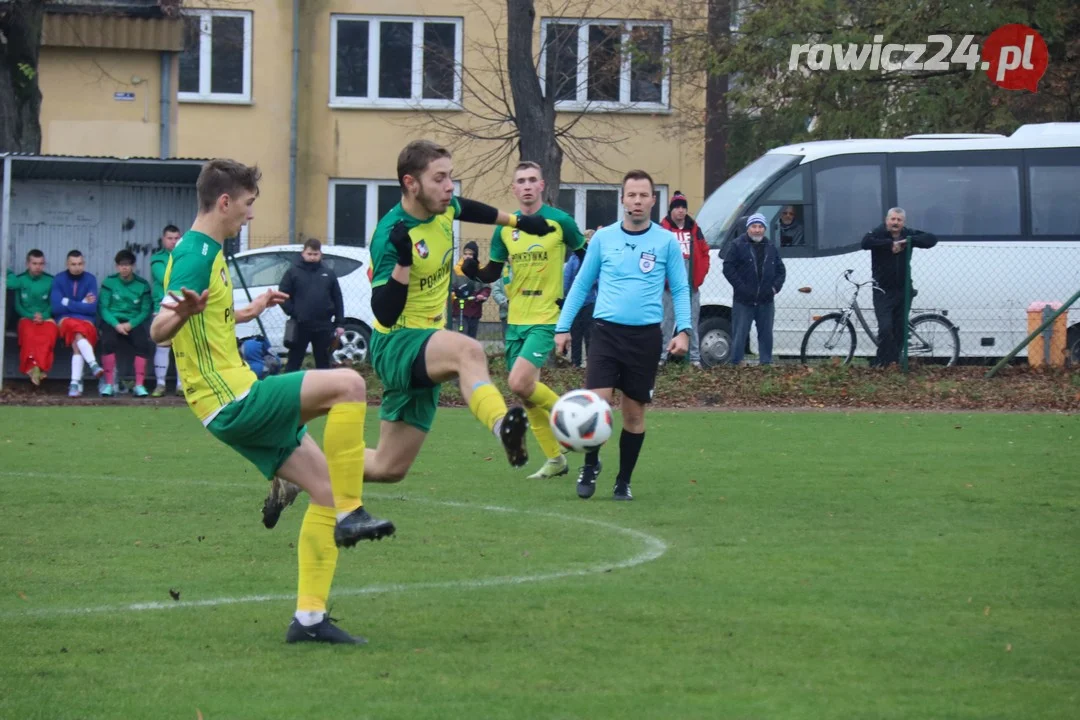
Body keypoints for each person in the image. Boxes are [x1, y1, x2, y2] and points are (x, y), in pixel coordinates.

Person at [151, 158, 392, 645]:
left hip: (228, 400)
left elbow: (208, 320)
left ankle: (308, 621)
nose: (250, 214)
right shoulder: (196, 255)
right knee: (349, 385)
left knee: (321, 488)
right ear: (224, 202)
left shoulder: (208, 251)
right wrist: (180, 315)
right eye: (248, 204)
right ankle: (351, 511)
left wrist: (248, 310)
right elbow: (159, 330)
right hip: (233, 398)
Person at [362, 140, 558, 485]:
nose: (449, 186)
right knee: (469, 350)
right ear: (411, 183)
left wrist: (520, 222)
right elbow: (384, 313)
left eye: (450, 176)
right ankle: (503, 426)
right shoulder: (389, 236)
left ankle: (301, 466)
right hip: (396, 343)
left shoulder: (444, 208)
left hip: (426, 347)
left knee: (387, 467)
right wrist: (404, 262)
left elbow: (469, 209)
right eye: (439, 178)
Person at [555, 169, 692, 501]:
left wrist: (684, 330)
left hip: (645, 338)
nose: (637, 201)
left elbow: (681, 288)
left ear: (652, 200)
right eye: (631, 195)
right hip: (605, 333)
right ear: (622, 199)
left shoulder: (665, 241)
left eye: (644, 195)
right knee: (595, 405)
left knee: (634, 414)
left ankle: (623, 481)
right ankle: (590, 464)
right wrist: (562, 327)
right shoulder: (603, 239)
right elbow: (581, 285)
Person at [460, 161, 588, 480]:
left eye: (533, 180)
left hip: (547, 317)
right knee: (525, 392)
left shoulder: (561, 222)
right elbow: (493, 271)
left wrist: (572, 301)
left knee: (519, 382)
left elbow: (587, 256)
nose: (527, 185)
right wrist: (474, 270)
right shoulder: (506, 228)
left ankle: (572, 421)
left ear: (542, 185)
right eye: (521, 181)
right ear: (514, 189)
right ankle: (555, 459)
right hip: (515, 317)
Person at [860, 207, 938, 367]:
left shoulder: (908, 234)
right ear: (886, 220)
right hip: (882, 290)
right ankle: (885, 361)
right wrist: (890, 244)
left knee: (900, 329)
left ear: (903, 222)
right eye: (892, 219)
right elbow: (865, 243)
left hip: (904, 290)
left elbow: (931, 239)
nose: (895, 223)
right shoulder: (878, 233)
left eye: (899, 220)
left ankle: (890, 363)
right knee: (885, 328)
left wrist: (907, 241)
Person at [723, 213, 786, 366]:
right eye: (754, 226)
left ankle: (765, 362)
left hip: (766, 300)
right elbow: (728, 268)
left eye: (760, 227)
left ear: (764, 229)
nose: (757, 230)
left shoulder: (770, 246)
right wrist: (741, 288)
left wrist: (774, 289)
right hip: (743, 300)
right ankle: (736, 362)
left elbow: (780, 270)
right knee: (740, 333)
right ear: (748, 228)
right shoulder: (737, 245)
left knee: (766, 334)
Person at [659, 191, 710, 367]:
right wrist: (664, 281)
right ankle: (662, 356)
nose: (680, 211)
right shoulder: (663, 229)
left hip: (691, 281)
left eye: (683, 207)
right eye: (677, 207)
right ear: (671, 210)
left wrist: (698, 278)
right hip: (668, 283)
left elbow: (704, 252)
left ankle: (694, 358)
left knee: (691, 321)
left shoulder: (694, 229)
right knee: (666, 321)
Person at [279, 238, 345, 372]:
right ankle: (290, 389)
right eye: (309, 254)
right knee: (294, 361)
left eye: (315, 254)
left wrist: (339, 323)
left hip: (324, 326)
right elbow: (282, 295)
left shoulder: (329, 274)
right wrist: (294, 312)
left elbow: (337, 298)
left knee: (324, 362)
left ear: (321, 254)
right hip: (300, 325)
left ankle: (324, 391)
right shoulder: (292, 272)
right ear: (303, 253)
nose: (312, 257)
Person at [97, 249, 154, 397]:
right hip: (113, 321)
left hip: (133, 322)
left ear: (133, 266)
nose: (124, 268)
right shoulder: (109, 282)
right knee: (107, 342)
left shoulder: (142, 285)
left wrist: (130, 324)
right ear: (117, 267)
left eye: (127, 265)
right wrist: (116, 324)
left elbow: (145, 310)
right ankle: (109, 384)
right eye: (121, 265)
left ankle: (139, 385)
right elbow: (104, 308)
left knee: (143, 344)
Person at [50, 249, 104, 398]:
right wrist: (81, 303)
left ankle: (75, 383)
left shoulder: (90, 279)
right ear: (67, 264)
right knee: (77, 331)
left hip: (85, 320)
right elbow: (56, 307)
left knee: (78, 338)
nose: (77, 267)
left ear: (84, 263)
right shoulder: (59, 279)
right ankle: (92, 364)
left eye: (80, 264)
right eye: (73, 264)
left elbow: (92, 308)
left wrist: (67, 302)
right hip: (64, 320)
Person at [7, 249, 57, 385]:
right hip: (26, 317)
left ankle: (38, 368)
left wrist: (44, 315)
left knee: (49, 335)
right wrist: (30, 315)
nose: (38, 267)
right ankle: (33, 368)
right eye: (34, 263)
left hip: (45, 318)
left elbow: (53, 303)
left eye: (41, 263)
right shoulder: (19, 280)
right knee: (29, 335)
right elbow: (17, 305)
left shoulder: (51, 280)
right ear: (27, 264)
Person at [150, 224, 183, 397]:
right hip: (162, 307)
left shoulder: (185, 257)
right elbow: (165, 278)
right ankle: (160, 384)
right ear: (164, 239)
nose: (173, 241)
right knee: (163, 345)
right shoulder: (157, 259)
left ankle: (181, 385)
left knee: (181, 347)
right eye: (170, 238)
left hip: (183, 307)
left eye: (176, 238)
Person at [563, 229, 597, 368]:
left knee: (590, 335)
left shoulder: (596, 258)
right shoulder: (574, 258)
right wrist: (565, 294)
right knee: (575, 334)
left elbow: (599, 278)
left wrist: (591, 281)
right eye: (586, 240)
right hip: (576, 303)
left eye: (591, 240)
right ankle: (575, 363)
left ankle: (591, 363)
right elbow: (567, 277)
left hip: (591, 302)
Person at [449, 241, 489, 339]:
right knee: (463, 335)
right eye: (465, 254)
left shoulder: (481, 270)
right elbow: (450, 287)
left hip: (475, 309)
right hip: (460, 309)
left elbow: (486, 288)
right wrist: (453, 293)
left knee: (472, 336)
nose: (467, 256)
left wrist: (482, 295)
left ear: (475, 255)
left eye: (470, 254)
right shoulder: (456, 270)